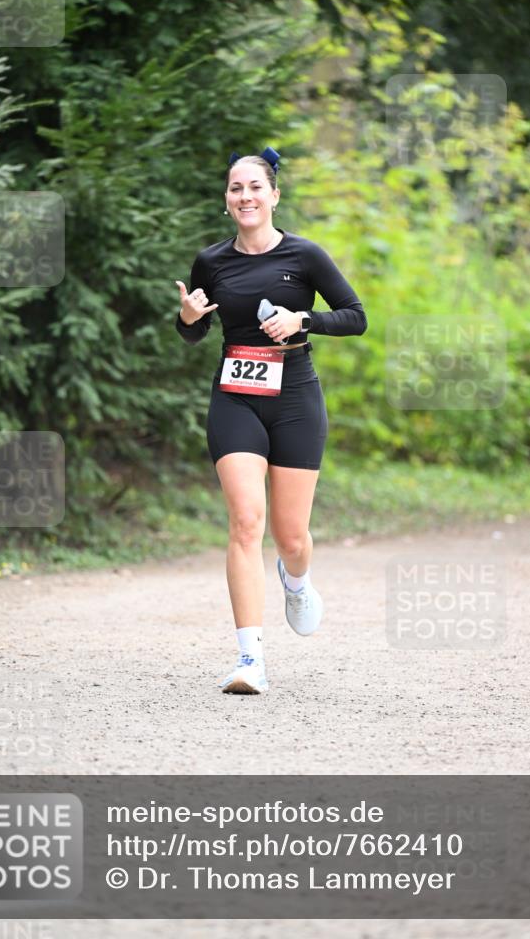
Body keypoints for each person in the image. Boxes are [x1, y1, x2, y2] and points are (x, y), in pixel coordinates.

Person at [174, 146, 367, 695]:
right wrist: (187, 319)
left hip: (295, 398)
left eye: (255, 187)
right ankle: (249, 659)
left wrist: (304, 317)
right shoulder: (211, 262)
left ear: (274, 195)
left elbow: (356, 317)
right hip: (235, 397)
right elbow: (193, 329)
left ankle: (297, 579)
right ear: (226, 200)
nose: (246, 197)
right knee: (244, 522)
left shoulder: (305, 256)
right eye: (236, 189)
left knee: (291, 537)